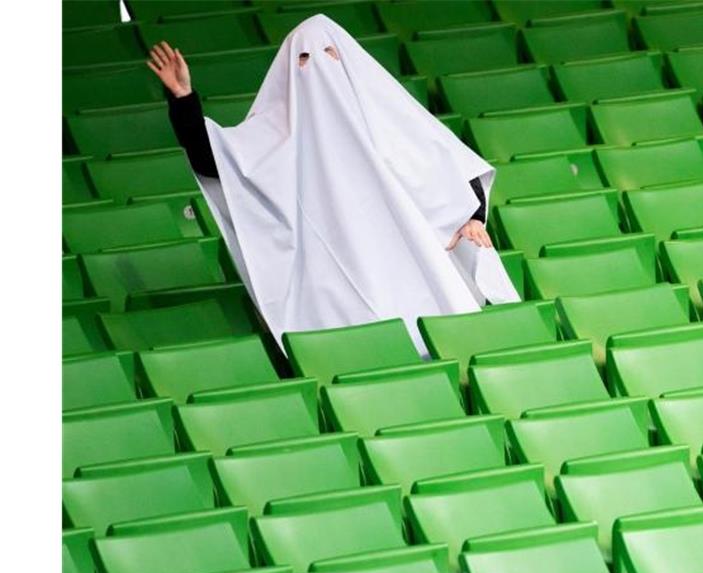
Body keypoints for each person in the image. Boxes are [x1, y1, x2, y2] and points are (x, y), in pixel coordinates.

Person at [145, 15, 519, 356]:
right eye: (305, 59)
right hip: (328, 292)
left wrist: (474, 218)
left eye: (329, 53)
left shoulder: (386, 119)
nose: (320, 67)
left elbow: (451, 168)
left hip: (408, 273)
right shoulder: (274, 136)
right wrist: (183, 99)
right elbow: (217, 161)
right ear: (287, 74)